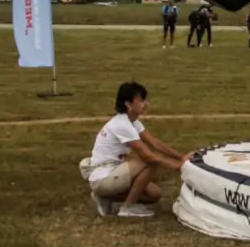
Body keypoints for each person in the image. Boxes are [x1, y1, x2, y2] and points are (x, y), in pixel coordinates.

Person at [79, 82, 193, 218]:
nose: (145, 104)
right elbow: (148, 156)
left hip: (111, 173)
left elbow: (155, 143)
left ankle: (105, 197)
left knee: (154, 194)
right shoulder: (122, 124)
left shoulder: (132, 122)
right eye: (141, 100)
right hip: (102, 178)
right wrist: (179, 166)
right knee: (148, 162)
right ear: (128, 105)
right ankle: (127, 207)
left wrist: (181, 157)